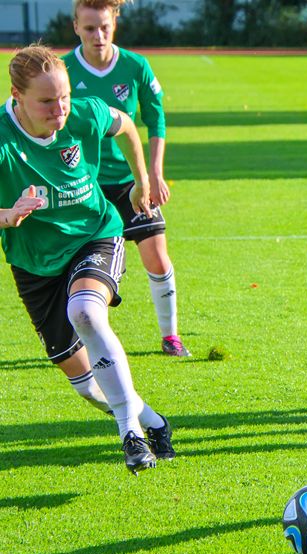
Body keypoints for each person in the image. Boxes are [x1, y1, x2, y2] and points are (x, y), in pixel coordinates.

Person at [1, 44, 174, 474]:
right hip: (35, 264)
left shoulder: (84, 113)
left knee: (86, 312)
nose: (60, 108)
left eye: (63, 97)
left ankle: (130, 436)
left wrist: (141, 182)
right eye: (46, 101)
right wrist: (7, 215)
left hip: (95, 234)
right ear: (16, 96)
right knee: (89, 389)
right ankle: (153, 422)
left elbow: (129, 127)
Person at [64, 0, 190, 356]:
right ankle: (79, 336)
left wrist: (153, 173)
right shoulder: (63, 70)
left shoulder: (135, 66)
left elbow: (156, 119)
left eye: (104, 26)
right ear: (76, 27)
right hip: (83, 185)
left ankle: (170, 336)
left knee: (157, 256)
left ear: (114, 22)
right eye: (89, 28)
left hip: (131, 181)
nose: (98, 35)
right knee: (75, 266)